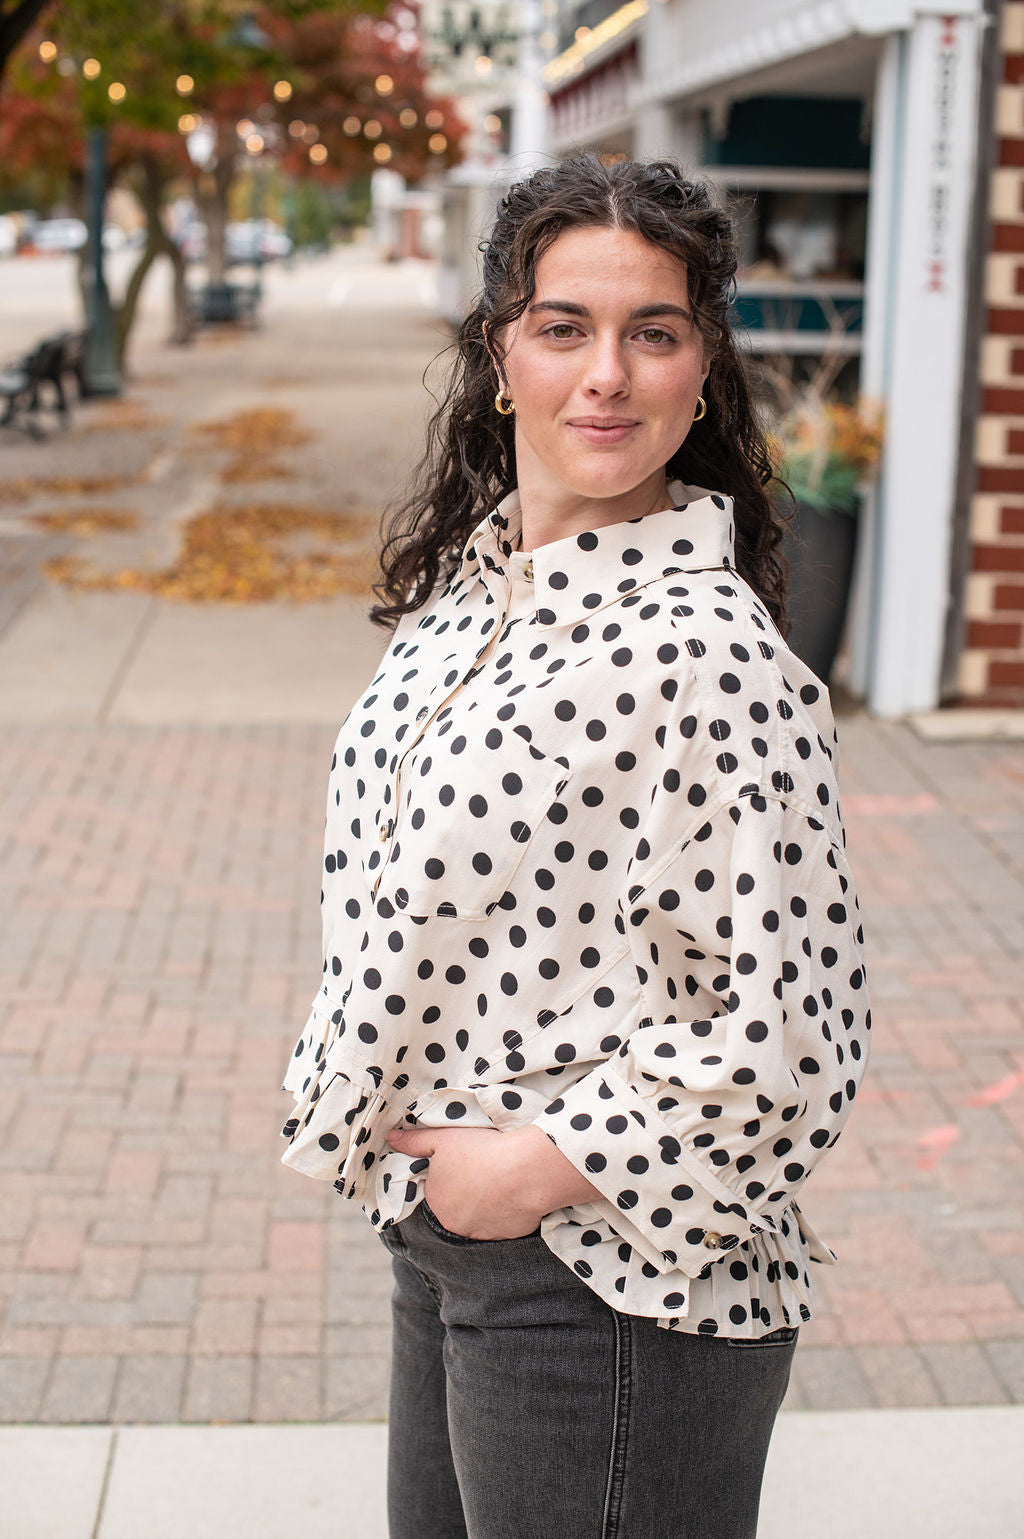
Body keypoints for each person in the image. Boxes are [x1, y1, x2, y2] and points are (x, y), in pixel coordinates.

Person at [281, 155, 871, 1539]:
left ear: (702, 370)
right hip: (451, 1245)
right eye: (564, 327)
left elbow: (800, 1034)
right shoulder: (473, 600)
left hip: (609, 1281)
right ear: (501, 354)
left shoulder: (714, 657)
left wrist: (533, 1170)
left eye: (652, 332)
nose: (606, 373)